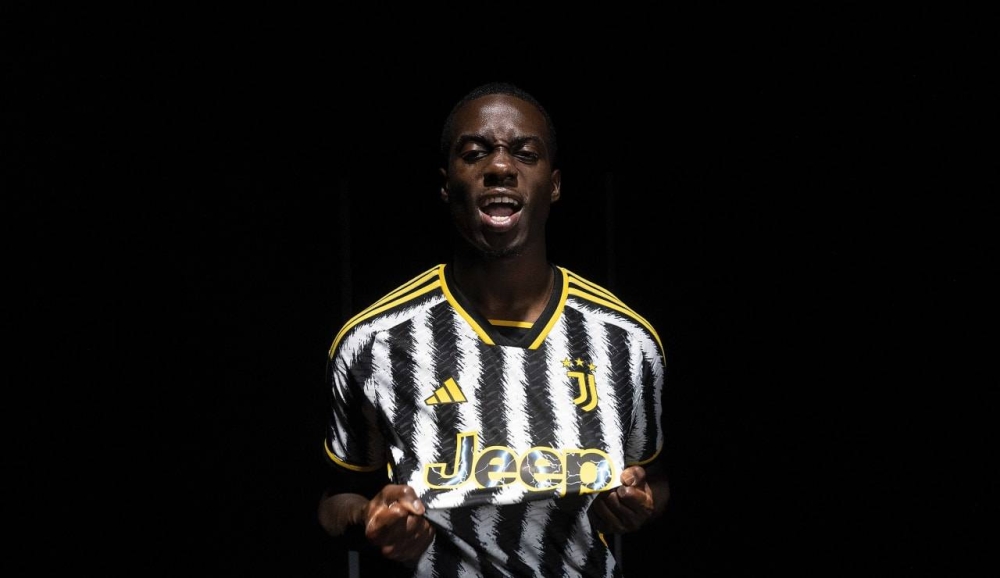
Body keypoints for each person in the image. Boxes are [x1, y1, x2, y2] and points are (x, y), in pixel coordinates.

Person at [318, 81, 670, 577]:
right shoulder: (373, 341)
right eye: (475, 153)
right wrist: (370, 519)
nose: (501, 167)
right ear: (446, 184)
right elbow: (337, 498)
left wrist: (638, 503)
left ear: (554, 184)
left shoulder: (627, 342)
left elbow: (653, 478)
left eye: (525, 154)